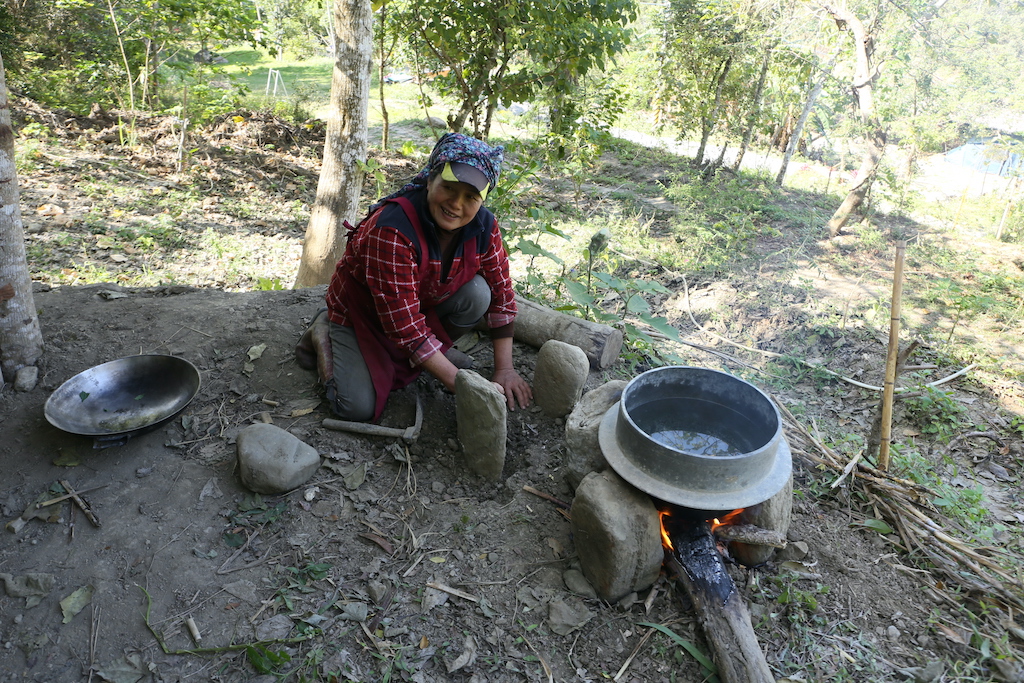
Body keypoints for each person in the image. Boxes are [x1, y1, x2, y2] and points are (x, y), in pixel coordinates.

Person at [296, 132, 533, 423]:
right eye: (449, 188)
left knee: (479, 293)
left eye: (470, 197)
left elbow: (502, 297)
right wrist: (458, 383)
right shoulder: (393, 229)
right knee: (355, 408)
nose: (457, 204)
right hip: (362, 317)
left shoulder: (485, 227)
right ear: (429, 179)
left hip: (416, 309)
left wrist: (504, 369)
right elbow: (405, 327)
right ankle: (324, 329)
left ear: (482, 200)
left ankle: (428, 357)